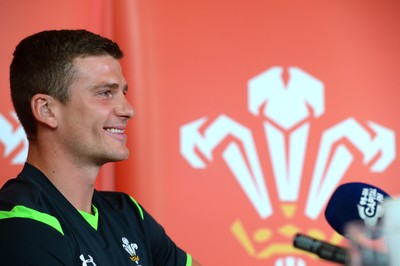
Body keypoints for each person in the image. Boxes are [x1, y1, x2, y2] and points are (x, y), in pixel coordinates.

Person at [0, 29, 201, 266]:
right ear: (46, 110)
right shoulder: (20, 221)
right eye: (106, 93)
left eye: (123, 93)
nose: (128, 109)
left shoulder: (128, 213)